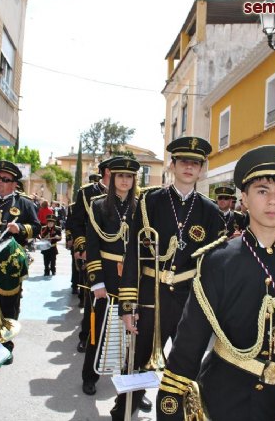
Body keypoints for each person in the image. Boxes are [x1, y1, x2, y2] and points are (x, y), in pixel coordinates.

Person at [156, 145, 275, 420]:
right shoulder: (217, 261)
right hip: (222, 397)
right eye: (262, 191)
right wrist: (170, 403)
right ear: (245, 199)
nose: (272, 201)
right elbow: (190, 341)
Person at [113, 136, 222, 420]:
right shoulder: (150, 201)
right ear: (172, 165)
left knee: (188, 365)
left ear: (202, 169)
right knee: (136, 360)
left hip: (190, 299)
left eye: (195, 163)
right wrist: (128, 305)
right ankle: (124, 410)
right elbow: (134, 254)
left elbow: (215, 266)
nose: (189, 166)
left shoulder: (211, 211)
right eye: (183, 161)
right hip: (151, 294)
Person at [81, 158, 140, 396]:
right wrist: (96, 281)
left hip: (133, 278)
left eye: (129, 176)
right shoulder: (98, 205)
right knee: (99, 330)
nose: (125, 180)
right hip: (106, 274)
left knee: (133, 335)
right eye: (120, 176)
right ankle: (89, 377)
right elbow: (92, 245)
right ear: (112, 177)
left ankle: (130, 387)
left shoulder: (141, 206)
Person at [0, 160, 40, 364]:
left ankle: (5, 346)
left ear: (14, 184)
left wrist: (21, 229)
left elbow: (37, 228)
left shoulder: (23, 203)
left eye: (5, 180)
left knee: (8, 305)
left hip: (9, 263)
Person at [68, 159, 113, 354]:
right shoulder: (87, 192)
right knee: (92, 298)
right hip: (94, 253)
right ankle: (87, 337)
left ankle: (111, 340)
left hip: (117, 257)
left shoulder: (129, 193)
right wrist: (82, 245)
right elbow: (76, 223)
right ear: (107, 171)